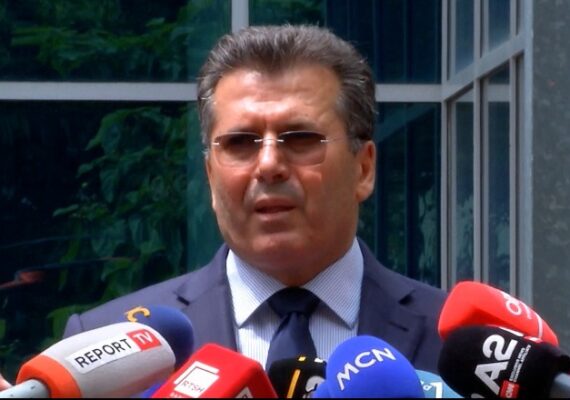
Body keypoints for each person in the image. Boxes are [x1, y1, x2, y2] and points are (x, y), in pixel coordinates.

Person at [57, 25, 447, 374]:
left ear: (363, 169)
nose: (269, 164)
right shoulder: (105, 351)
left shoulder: (456, 341)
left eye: (300, 138)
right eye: (240, 143)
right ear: (211, 176)